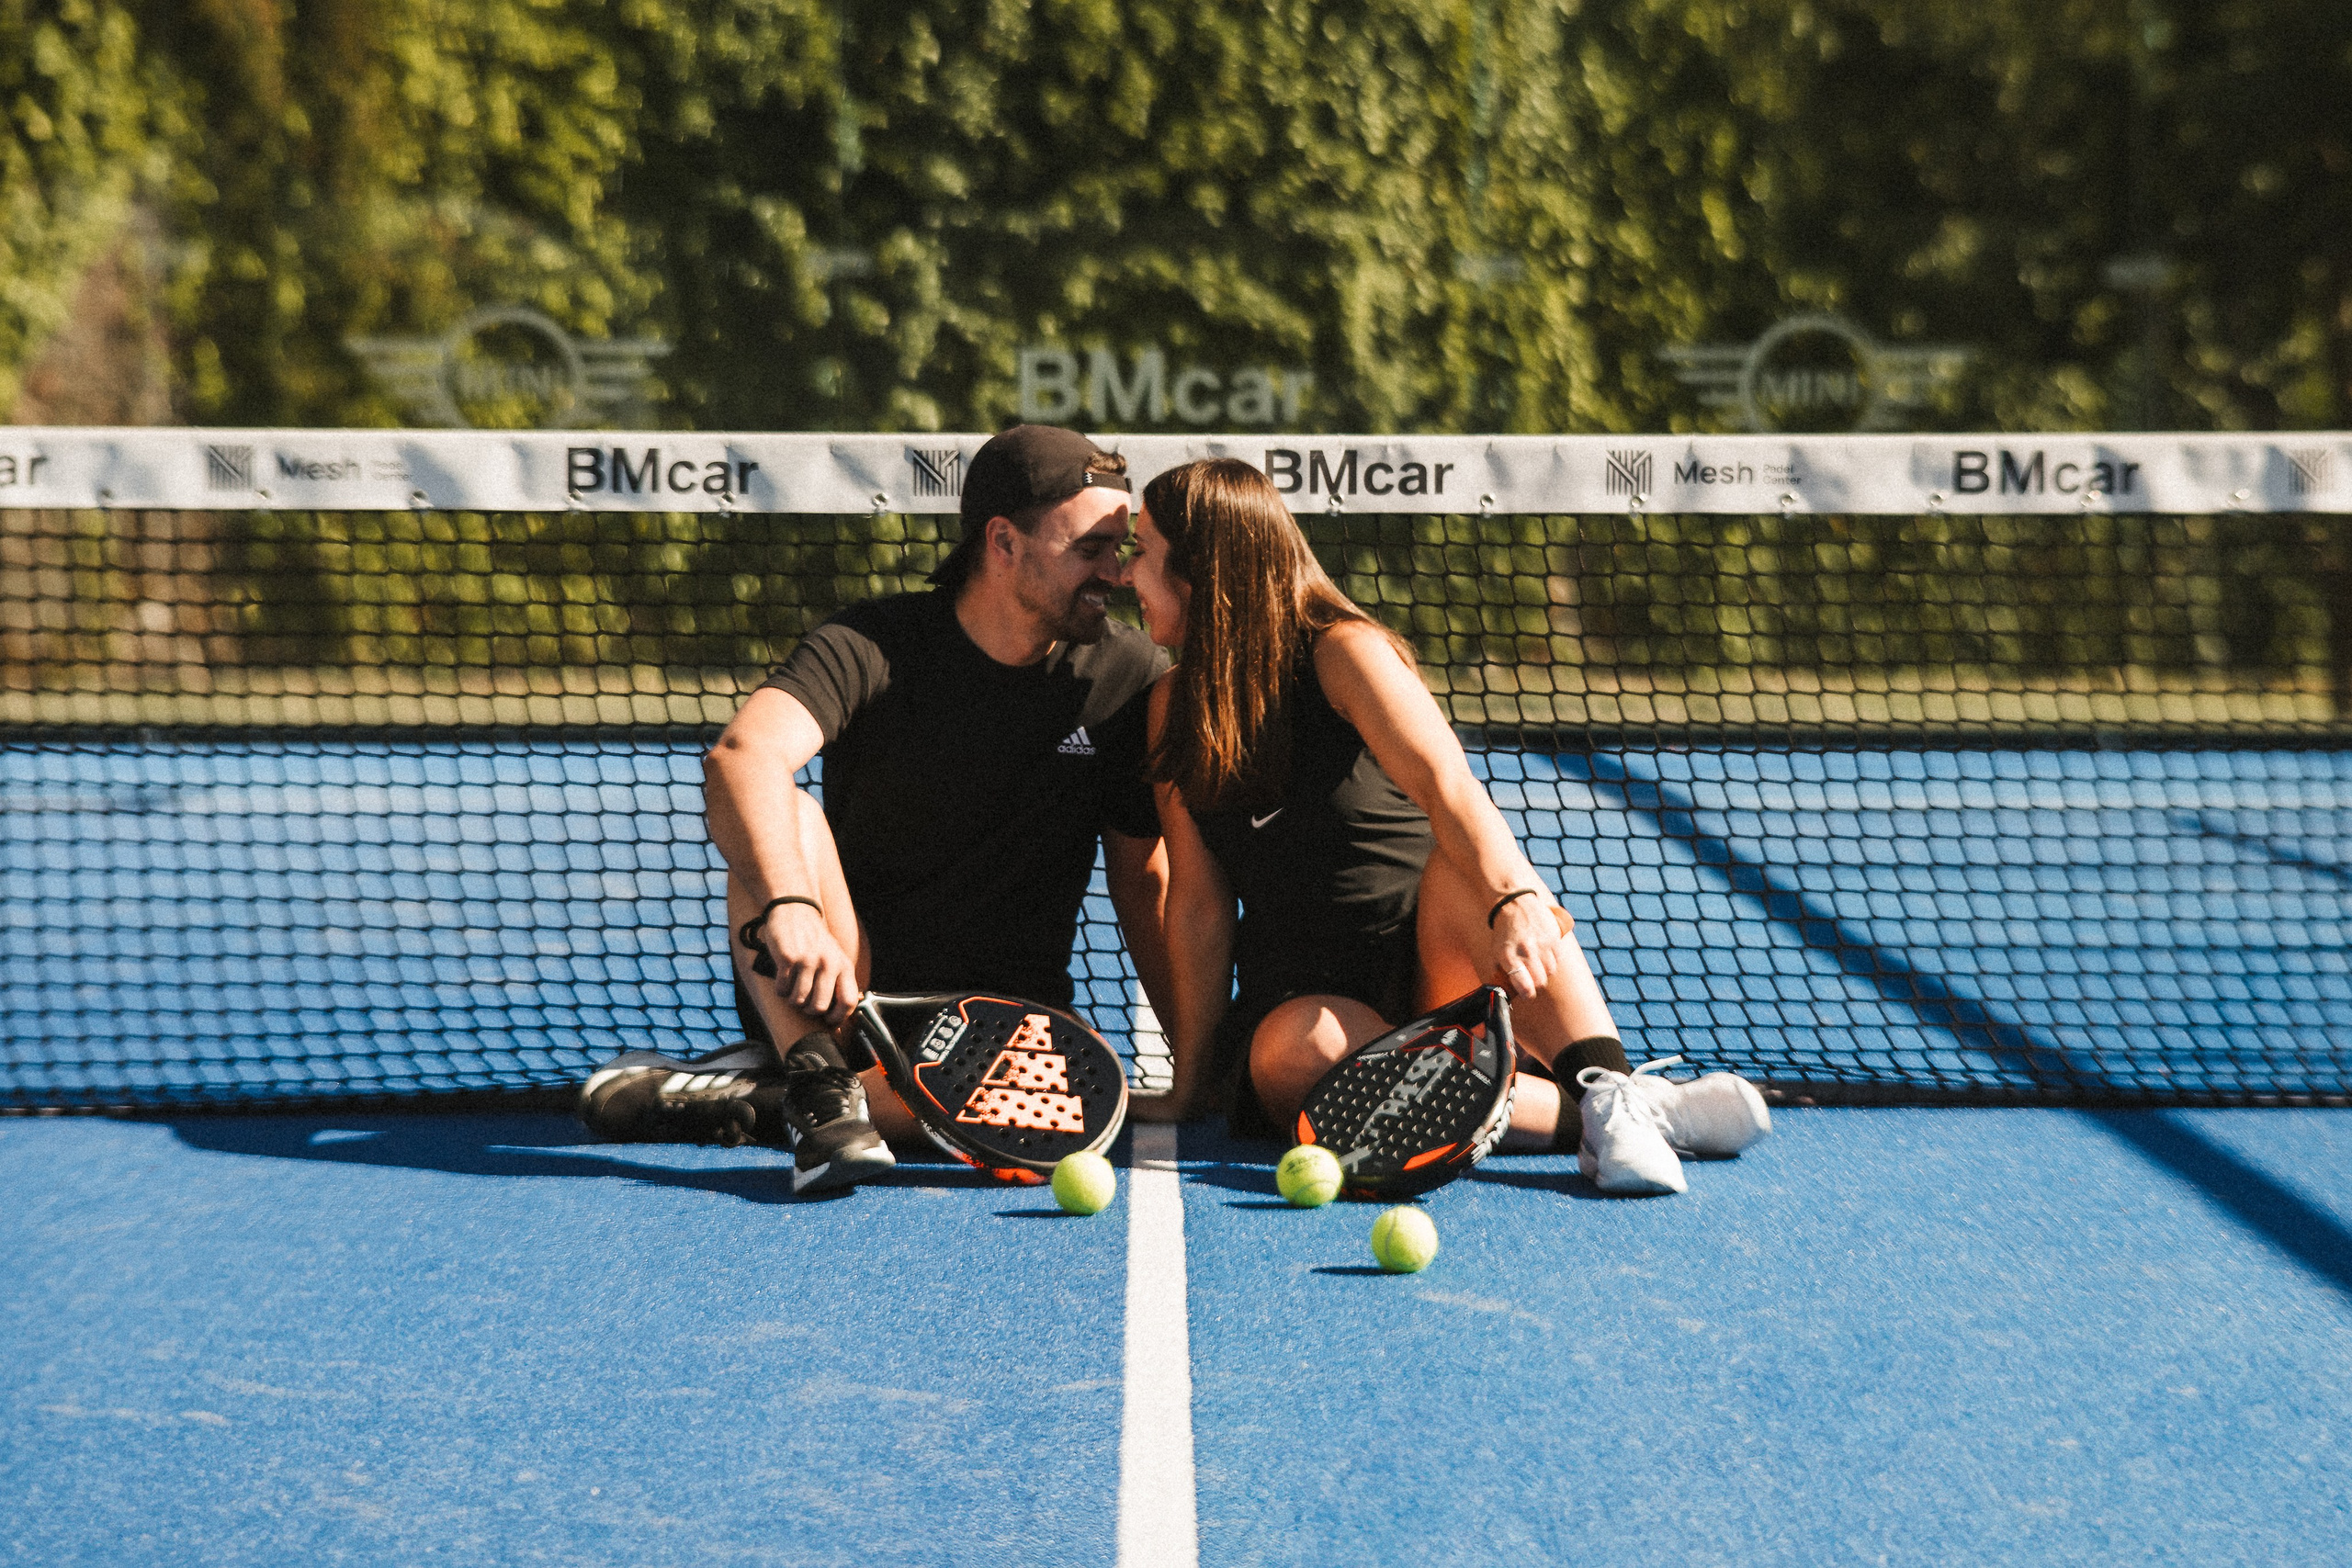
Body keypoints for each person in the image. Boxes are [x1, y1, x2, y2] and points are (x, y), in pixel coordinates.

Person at [1122, 458, 1766, 1192]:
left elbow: (1450, 789)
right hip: (1307, 1003)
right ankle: (1612, 1113)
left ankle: (1609, 1089)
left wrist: (1515, 902)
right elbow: (1200, 906)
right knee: (1286, 1059)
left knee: (1482, 874)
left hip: (1434, 960)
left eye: (1141, 551)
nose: (1125, 575)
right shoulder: (1171, 707)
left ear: (1201, 572)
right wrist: (1190, 1081)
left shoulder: (1344, 652)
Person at [581, 425, 1175, 1193]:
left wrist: (1201, 1060)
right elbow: (740, 757)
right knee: (776, 817)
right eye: (1089, 549)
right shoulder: (871, 644)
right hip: (840, 992)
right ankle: (822, 1083)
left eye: (1119, 547)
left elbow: (1143, 878)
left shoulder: (1127, 676)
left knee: (1058, 1115)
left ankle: (761, 1097)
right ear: (1004, 541)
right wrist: (792, 907)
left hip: (1011, 1022)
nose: (1115, 573)